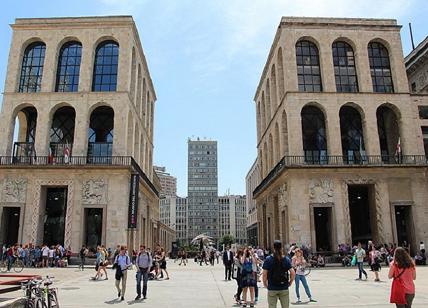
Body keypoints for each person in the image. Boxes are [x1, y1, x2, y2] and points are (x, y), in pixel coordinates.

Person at [263, 240, 295, 308]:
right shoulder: (286, 259)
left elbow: (264, 274)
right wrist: (290, 282)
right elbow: (292, 272)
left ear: (273, 248)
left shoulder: (268, 259)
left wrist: (265, 284)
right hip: (284, 287)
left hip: (272, 287)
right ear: (281, 248)